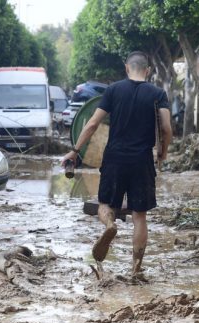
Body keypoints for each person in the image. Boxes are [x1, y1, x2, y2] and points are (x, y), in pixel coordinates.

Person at [62, 51, 172, 276]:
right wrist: (163, 152)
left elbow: (93, 123)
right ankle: (136, 268)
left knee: (105, 205)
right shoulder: (157, 93)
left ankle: (110, 225)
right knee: (139, 215)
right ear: (148, 70)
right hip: (142, 160)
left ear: (126, 67)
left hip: (114, 158)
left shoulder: (113, 90)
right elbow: (166, 128)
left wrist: (74, 151)